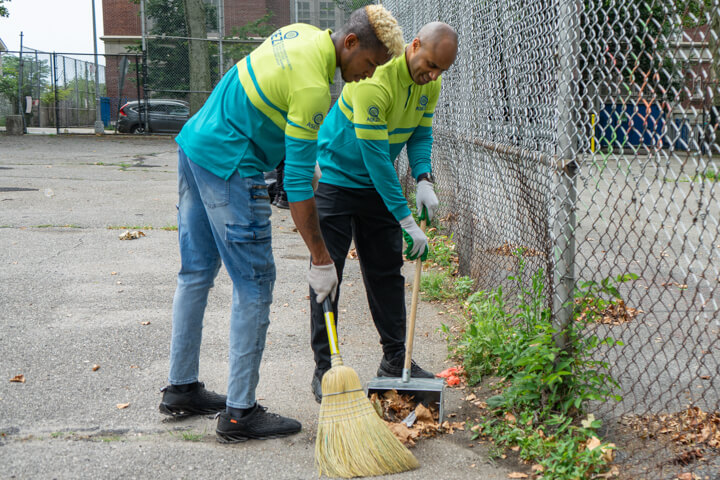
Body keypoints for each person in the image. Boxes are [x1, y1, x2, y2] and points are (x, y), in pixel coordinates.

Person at [158, 6, 404, 443]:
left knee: (195, 274)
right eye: (369, 64)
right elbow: (293, 186)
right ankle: (239, 413)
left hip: (197, 144)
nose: (368, 76)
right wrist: (321, 258)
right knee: (255, 284)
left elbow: (294, 153)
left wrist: (311, 178)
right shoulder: (315, 88)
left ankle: (182, 388)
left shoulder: (301, 34)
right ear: (351, 44)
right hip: (232, 163)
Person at [309, 22, 459, 402]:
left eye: (441, 70)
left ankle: (395, 361)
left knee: (386, 274)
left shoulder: (430, 84)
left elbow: (421, 134)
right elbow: (376, 158)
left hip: (375, 186)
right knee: (330, 274)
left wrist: (424, 176)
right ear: (414, 46)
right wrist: (406, 220)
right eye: (429, 64)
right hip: (338, 179)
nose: (433, 75)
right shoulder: (374, 81)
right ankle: (326, 369)